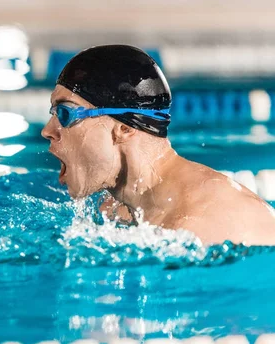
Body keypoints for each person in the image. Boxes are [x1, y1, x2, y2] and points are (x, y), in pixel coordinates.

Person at [41, 44, 275, 246]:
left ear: (124, 128)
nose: (47, 131)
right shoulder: (115, 210)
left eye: (64, 113)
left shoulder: (198, 228)